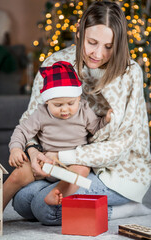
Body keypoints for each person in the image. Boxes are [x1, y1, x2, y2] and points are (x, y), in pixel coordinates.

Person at [9, 1, 151, 224]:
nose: (98, 53)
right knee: (22, 201)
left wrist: (63, 156)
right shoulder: (56, 63)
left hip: (115, 170)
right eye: (92, 42)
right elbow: (33, 119)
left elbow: (122, 146)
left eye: (108, 46)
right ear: (79, 33)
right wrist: (35, 152)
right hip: (61, 164)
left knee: (44, 208)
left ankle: (128, 209)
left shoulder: (129, 73)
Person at [3, 61, 112, 209]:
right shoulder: (41, 113)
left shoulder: (84, 110)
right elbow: (22, 130)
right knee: (18, 174)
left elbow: (96, 129)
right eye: (58, 105)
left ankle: (57, 193)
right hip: (45, 164)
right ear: (47, 101)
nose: (65, 110)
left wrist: (106, 120)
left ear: (79, 98)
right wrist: (15, 149)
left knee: (82, 169)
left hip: (72, 163)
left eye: (70, 103)